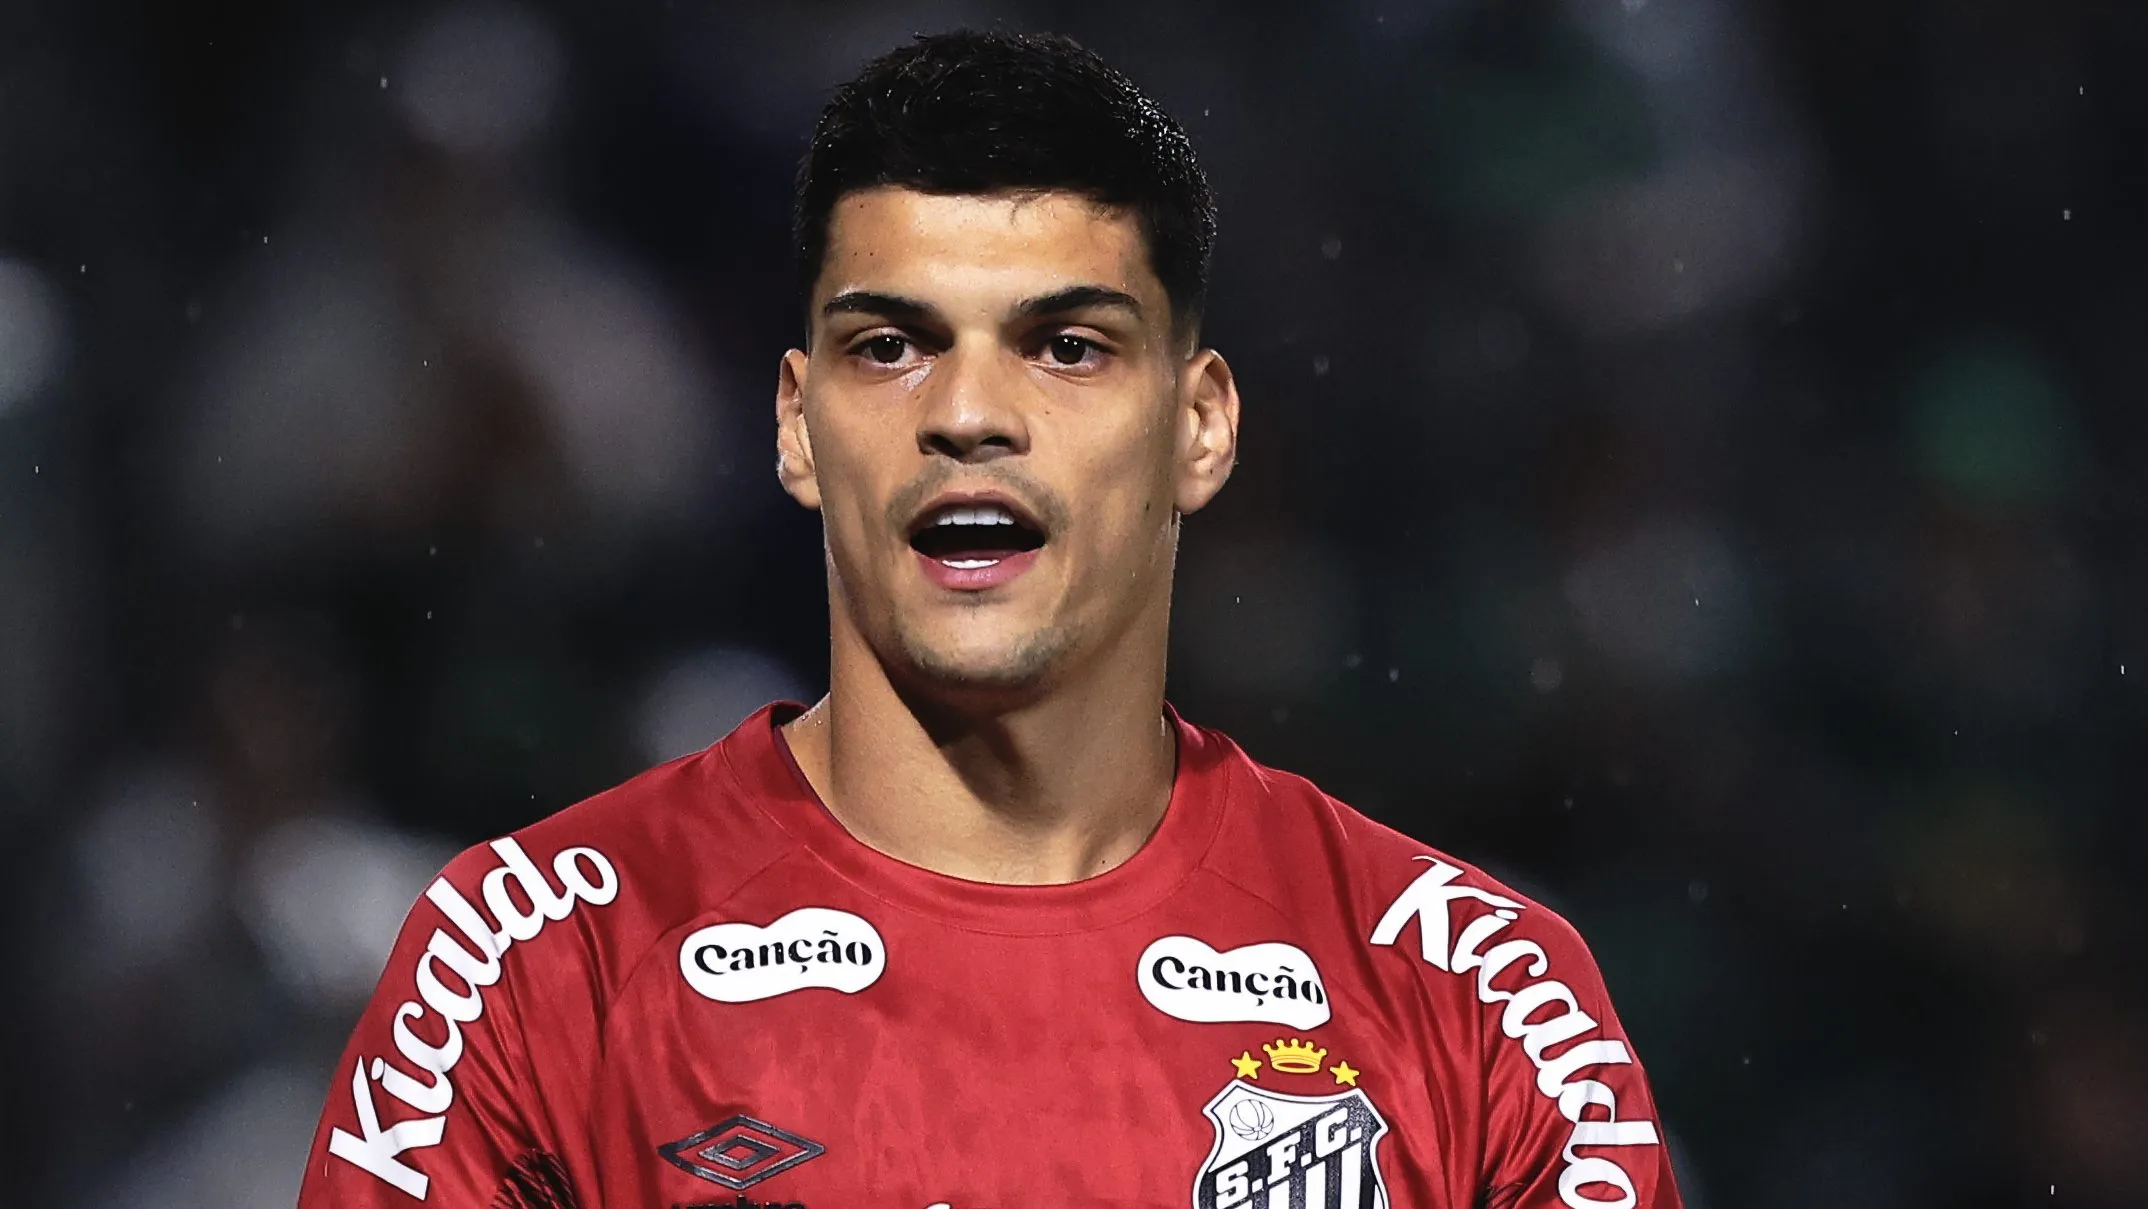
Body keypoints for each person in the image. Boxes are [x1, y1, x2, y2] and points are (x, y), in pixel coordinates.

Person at [299, 30, 1682, 1209]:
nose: (967, 417)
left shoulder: (1482, 995)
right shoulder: (534, 965)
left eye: (1068, 346)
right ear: (794, 425)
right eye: (889, 346)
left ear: (1198, 428)